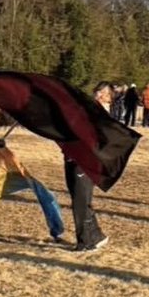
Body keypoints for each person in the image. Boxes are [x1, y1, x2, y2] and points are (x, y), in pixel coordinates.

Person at [64, 81, 112, 253]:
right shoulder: (86, 110)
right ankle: (96, 236)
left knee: (81, 202)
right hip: (73, 158)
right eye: (98, 92)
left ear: (108, 98)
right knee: (81, 200)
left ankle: (86, 241)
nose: (99, 95)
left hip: (84, 162)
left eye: (104, 94)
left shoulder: (101, 114)